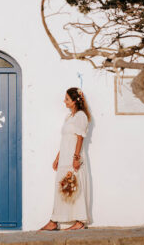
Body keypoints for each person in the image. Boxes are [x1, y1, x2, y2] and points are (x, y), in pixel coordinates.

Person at [40, 87, 91, 231]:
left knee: (75, 187)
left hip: (73, 157)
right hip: (64, 157)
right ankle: (54, 220)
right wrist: (57, 158)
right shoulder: (69, 117)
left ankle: (80, 221)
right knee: (62, 188)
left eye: (67, 99)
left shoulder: (81, 116)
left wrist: (76, 158)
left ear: (75, 101)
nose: (64, 101)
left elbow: (79, 138)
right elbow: (65, 139)